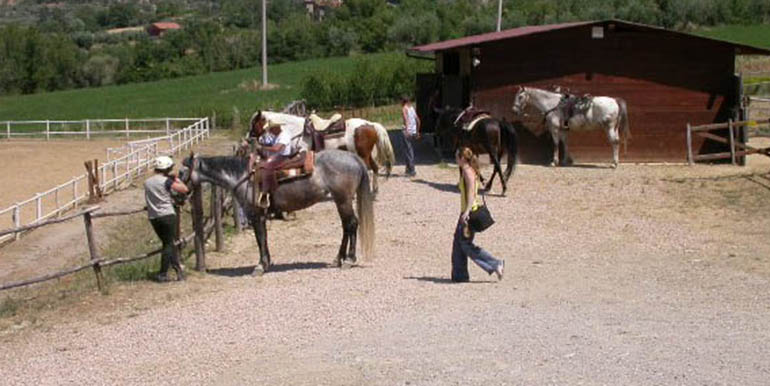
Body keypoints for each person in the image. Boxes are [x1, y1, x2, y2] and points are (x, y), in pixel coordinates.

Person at [451, 147, 504, 283]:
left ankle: (495, 263)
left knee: (465, 244)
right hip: (466, 211)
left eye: (457, 156)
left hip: (469, 213)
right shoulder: (467, 171)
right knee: (459, 243)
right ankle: (459, 275)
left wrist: (467, 212)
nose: (455, 159)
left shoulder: (468, 172)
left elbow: (470, 194)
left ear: (462, 158)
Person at [144, 155, 189, 282]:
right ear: (167, 168)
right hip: (167, 215)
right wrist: (176, 179)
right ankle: (163, 273)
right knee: (169, 244)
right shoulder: (166, 181)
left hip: (154, 216)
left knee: (167, 243)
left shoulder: (147, 182)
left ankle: (177, 269)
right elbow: (184, 189)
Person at [256, 120, 294, 208]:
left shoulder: (284, 136)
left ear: (277, 128)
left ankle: (267, 192)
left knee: (266, 167)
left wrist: (262, 147)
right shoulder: (278, 136)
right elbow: (271, 144)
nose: (271, 132)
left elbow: (276, 148)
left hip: (283, 157)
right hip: (277, 156)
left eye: (271, 129)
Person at [401, 96, 421, 177]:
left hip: (407, 131)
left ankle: (412, 170)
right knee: (408, 149)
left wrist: (406, 130)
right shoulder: (412, 108)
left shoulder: (404, 108)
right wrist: (417, 131)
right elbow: (418, 121)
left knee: (409, 150)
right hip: (413, 131)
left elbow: (406, 120)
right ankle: (408, 169)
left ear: (403, 101)